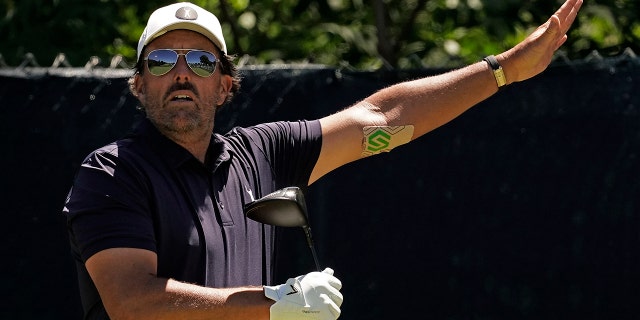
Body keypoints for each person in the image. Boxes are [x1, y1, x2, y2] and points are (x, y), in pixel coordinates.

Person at [62, 0, 583, 319]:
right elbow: (130, 303)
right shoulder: (112, 172)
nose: (181, 72)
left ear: (223, 85)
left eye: (200, 60)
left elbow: (383, 116)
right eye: (161, 60)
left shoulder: (259, 155)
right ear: (139, 83)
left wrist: (503, 71)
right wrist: (274, 303)